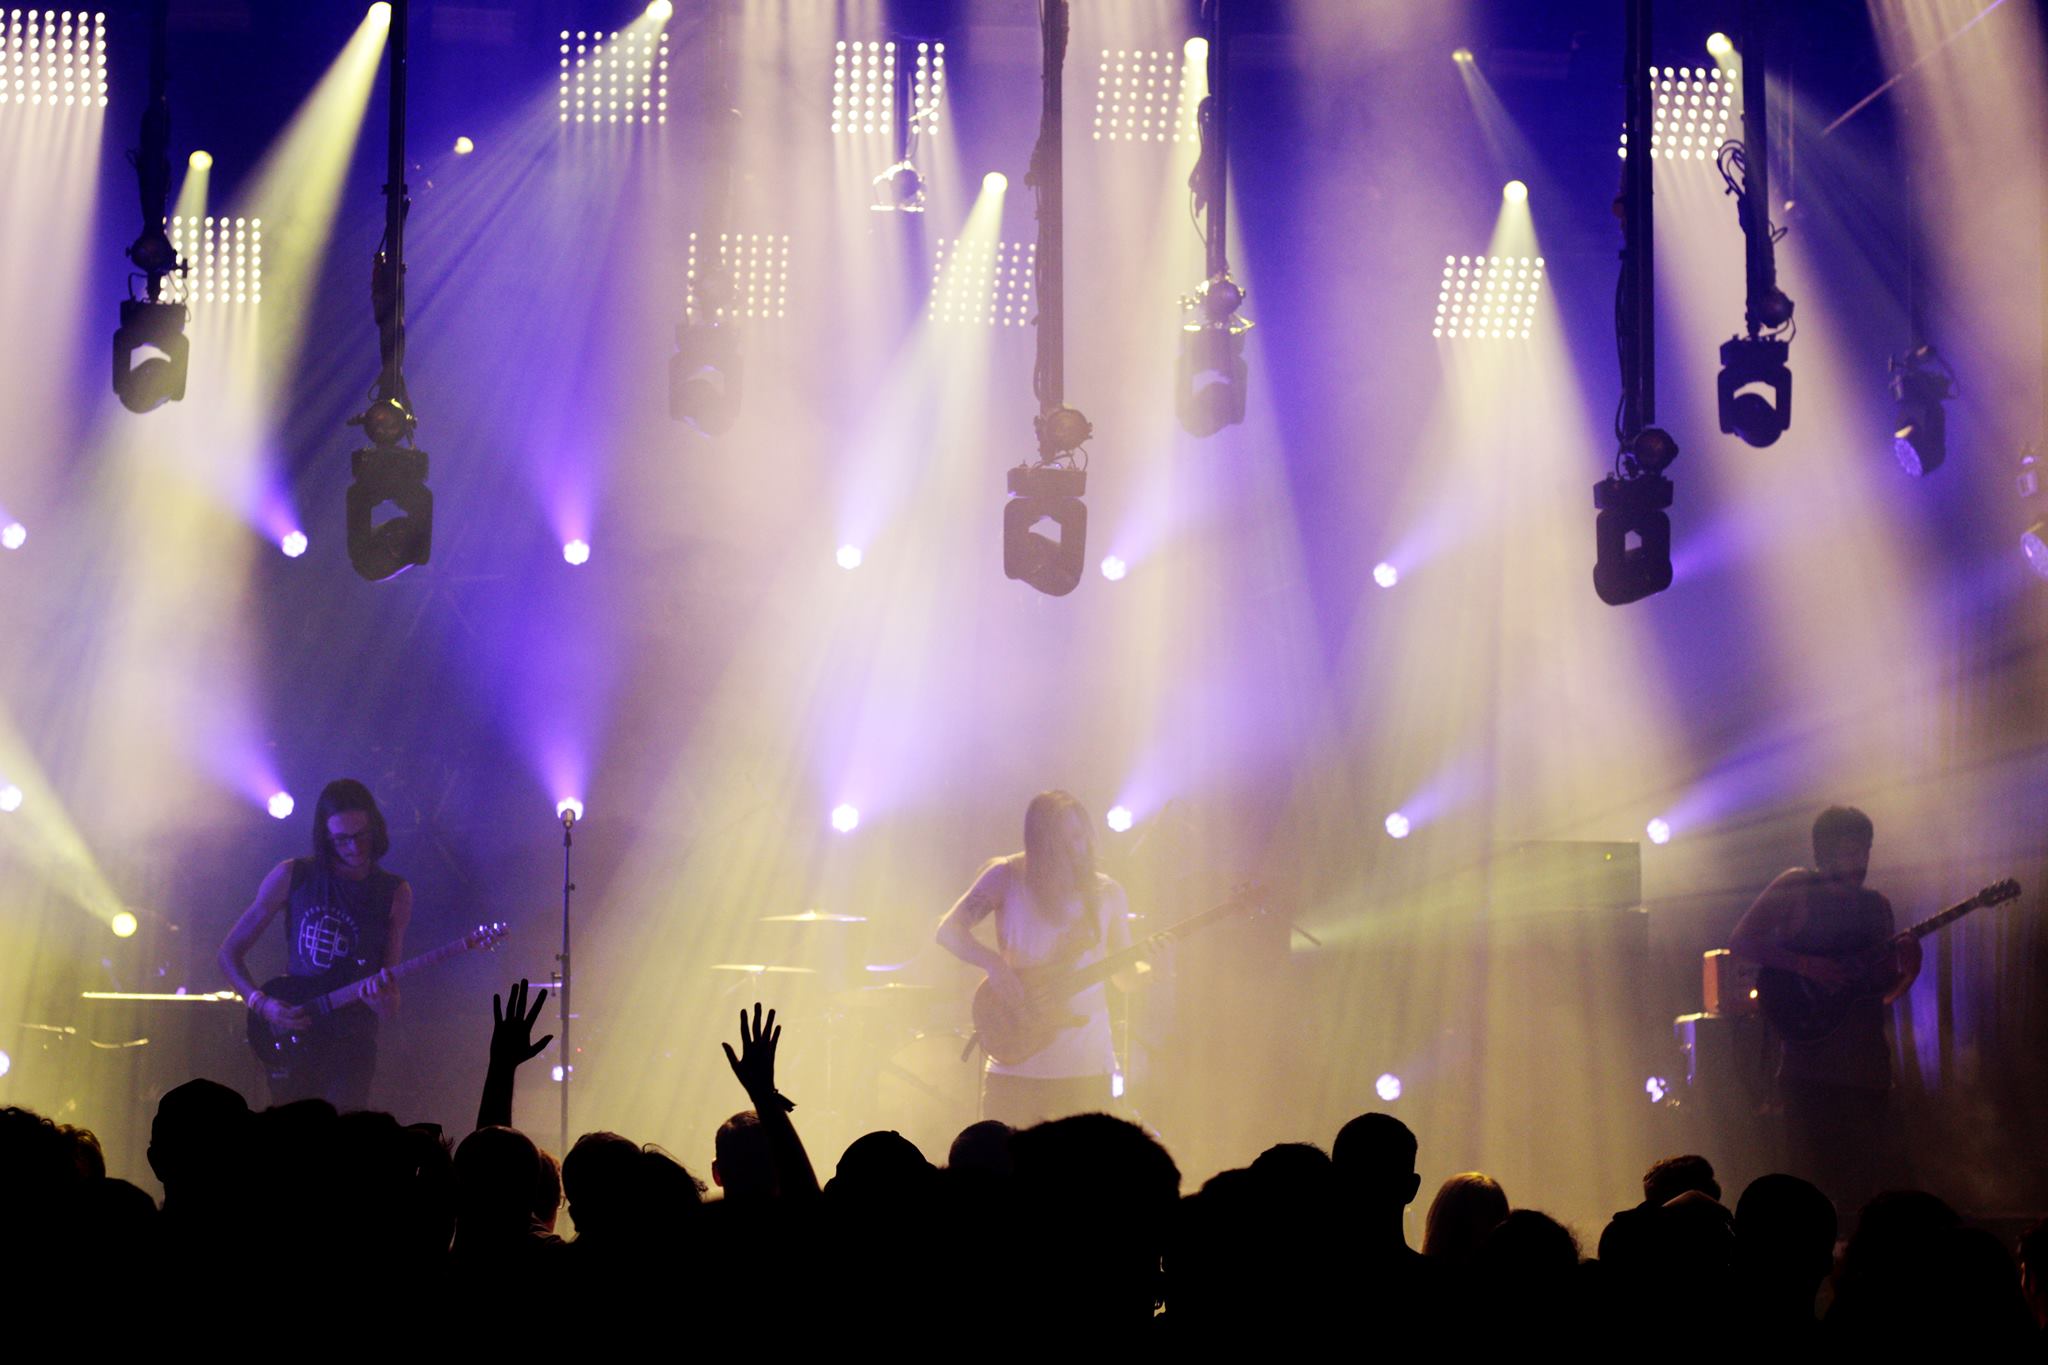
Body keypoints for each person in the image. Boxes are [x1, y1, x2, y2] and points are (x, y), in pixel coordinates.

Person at [1728, 805, 1917, 1214]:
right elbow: (1741, 940)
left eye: (1864, 851)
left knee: (1863, 1191)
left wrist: (1909, 973)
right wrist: (1804, 965)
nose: (1859, 862)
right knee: (1806, 1193)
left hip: (1868, 1071)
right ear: (1824, 853)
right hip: (1809, 1071)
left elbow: (1878, 995)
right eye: (1849, 852)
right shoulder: (1797, 887)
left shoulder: (1877, 906)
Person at [935, 790, 1138, 1127]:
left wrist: (1148, 968)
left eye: (1081, 835)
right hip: (1016, 1065)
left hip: (1087, 1069)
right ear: (1042, 843)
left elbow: (1125, 977)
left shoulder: (1108, 892)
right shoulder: (1006, 876)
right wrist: (994, 965)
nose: (1079, 846)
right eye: (1066, 839)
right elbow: (948, 931)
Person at [218, 778, 412, 1109]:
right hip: (296, 1038)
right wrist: (261, 1004)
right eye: (342, 839)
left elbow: (389, 1002)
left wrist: (383, 1002)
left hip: (352, 1046)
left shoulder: (394, 892)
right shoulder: (292, 876)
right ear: (326, 837)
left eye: (361, 835)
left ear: (376, 829)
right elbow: (228, 953)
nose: (354, 847)